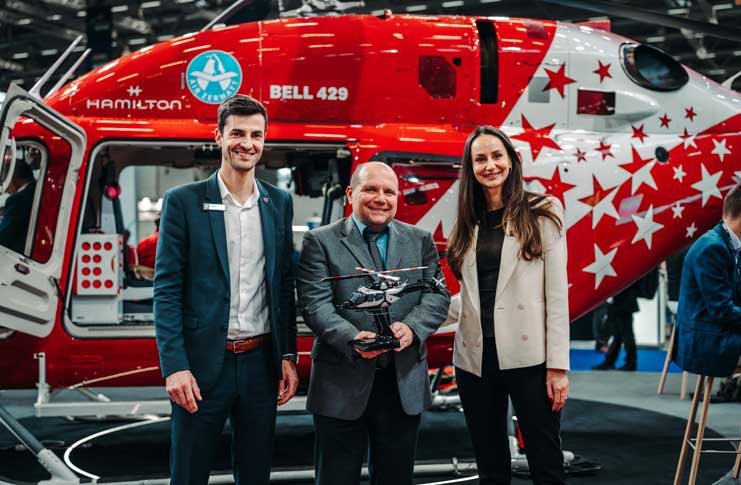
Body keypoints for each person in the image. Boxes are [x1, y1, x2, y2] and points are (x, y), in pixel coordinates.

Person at [153, 94, 298, 485]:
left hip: (260, 365)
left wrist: (287, 354)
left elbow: (283, 284)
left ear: (264, 140)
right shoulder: (183, 203)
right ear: (218, 136)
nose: (246, 143)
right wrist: (175, 367)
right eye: (237, 133)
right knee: (188, 473)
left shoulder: (278, 202)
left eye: (256, 135)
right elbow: (166, 289)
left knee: (254, 474)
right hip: (201, 367)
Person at [296, 161, 450, 485]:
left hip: (402, 383)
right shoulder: (319, 241)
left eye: (388, 192)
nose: (381, 198)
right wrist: (351, 338)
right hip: (340, 381)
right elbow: (314, 304)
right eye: (371, 189)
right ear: (350, 194)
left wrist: (412, 328)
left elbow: (437, 296)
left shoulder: (420, 240)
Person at [444, 125, 570, 485]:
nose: (490, 165)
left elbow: (556, 295)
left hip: (530, 359)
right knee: (490, 465)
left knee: (546, 461)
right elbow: (472, 298)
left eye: (497, 156)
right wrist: (413, 315)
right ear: (471, 168)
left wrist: (558, 367)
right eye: (480, 159)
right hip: (474, 358)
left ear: (512, 161)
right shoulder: (466, 221)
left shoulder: (543, 211)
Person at [673, 183, 741, 378]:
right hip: (707, 341)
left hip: (714, 332)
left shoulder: (723, 242)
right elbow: (722, 310)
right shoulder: (713, 248)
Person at [592, 282, 640, 371]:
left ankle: (630, 362)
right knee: (618, 335)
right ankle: (611, 361)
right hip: (621, 304)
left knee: (626, 335)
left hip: (624, 304)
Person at [0, 160, 36, 254]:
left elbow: (3, 237)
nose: (6, 190)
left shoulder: (17, 200)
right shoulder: (36, 189)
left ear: (12, 178)